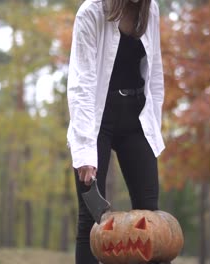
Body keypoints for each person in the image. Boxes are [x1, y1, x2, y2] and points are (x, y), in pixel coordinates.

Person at [66, 0, 165, 263]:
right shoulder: (92, 12)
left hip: (137, 118)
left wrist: (154, 128)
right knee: (91, 218)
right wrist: (85, 149)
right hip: (98, 117)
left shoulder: (150, 9)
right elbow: (81, 83)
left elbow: (155, 74)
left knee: (149, 214)